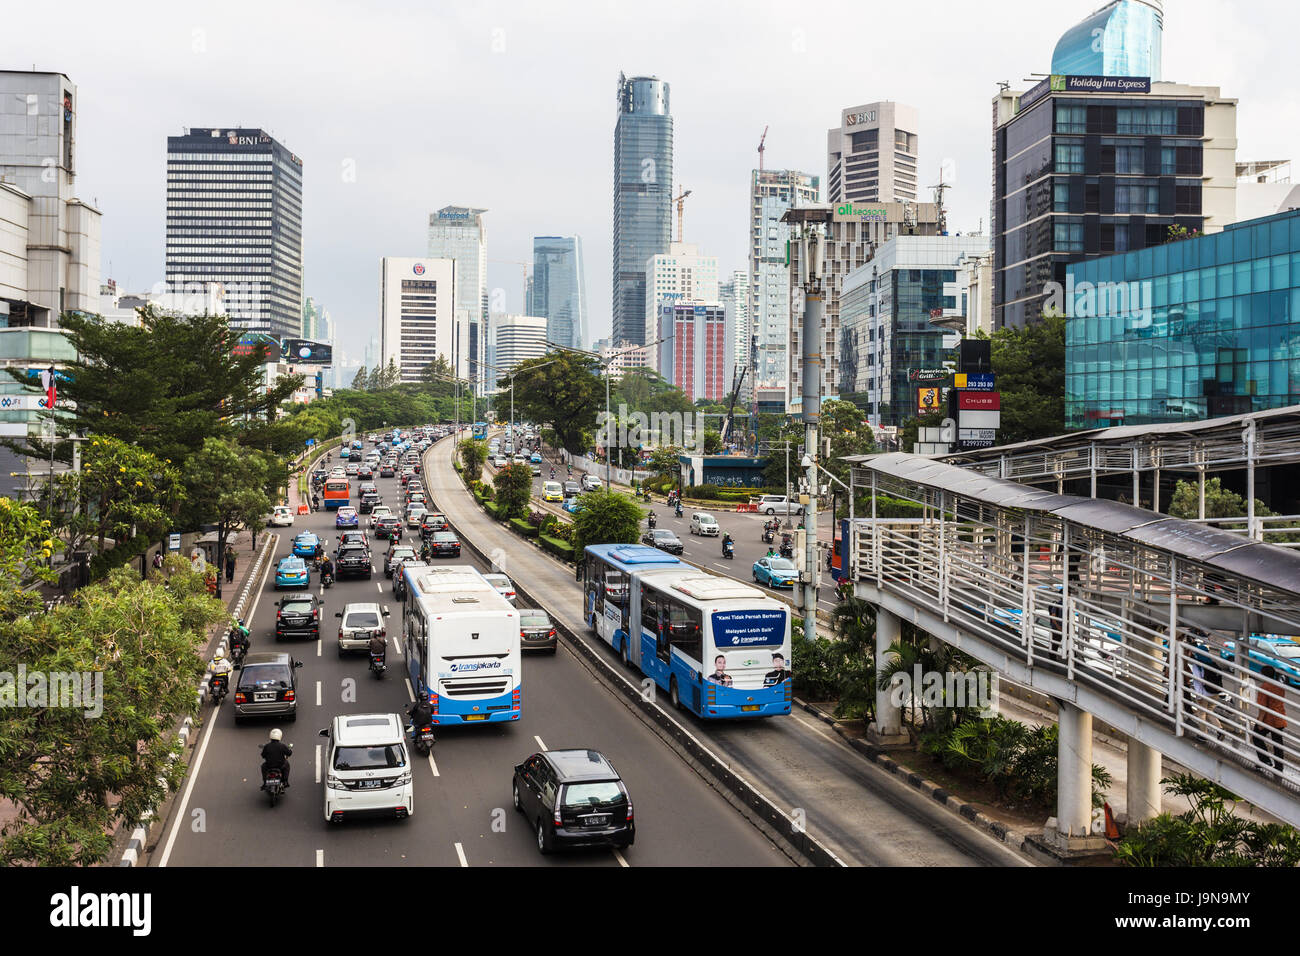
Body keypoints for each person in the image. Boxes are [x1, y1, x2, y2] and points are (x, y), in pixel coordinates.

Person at [1255, 664, 1287, 771]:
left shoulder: (1265, 687)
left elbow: (1263, 707)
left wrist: (1260, 722)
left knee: (1256, 737)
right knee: (1277, 743)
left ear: (1263, 674)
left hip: (1269, 719)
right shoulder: (1279, 686)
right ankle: (1279, 767)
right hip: (1279, 718)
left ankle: (1265, 761)